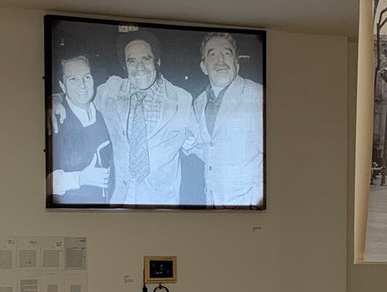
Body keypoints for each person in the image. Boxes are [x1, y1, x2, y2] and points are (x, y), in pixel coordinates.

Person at [92, 30, 199, 206]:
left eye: (146, 59)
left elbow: (203, 143)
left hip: (161, 203)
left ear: (157, 62)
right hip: (120, 198)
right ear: (125, 67)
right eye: (132, 61)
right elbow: (79, 97)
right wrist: (55, 100)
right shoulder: (110, 92)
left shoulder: (182, 100)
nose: (139, 67)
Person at [191, 32, 264, 207]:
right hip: (212, 203)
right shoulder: (199, 102)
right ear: (203, 66)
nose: (220, 60)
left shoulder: (256, 94)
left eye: (227, 53)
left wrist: (258, 200)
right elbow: (212, 150)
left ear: (236, 64)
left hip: (249, 205)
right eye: (212, 54)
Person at [47, 53, 111, 204]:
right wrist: (80, 178)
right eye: (73, 79)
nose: (82, 85)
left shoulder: (104, 113)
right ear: (62, 86)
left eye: (87, 77)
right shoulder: (54, 121)